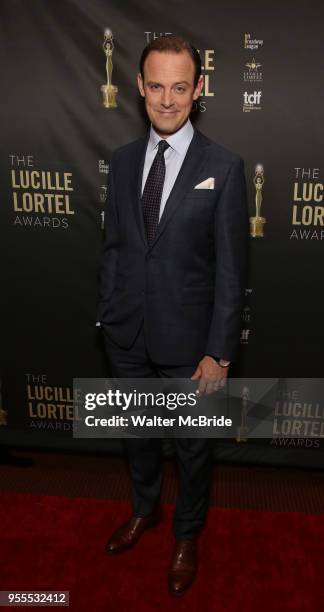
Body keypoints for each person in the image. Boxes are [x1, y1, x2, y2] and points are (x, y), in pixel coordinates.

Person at [97, 34, 249, 596]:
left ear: (198, 89)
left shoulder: (226, 169)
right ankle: (145, 510)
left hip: (192, 347)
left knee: (193, 449)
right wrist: (109, 315)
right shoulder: (120, 162)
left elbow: (233, 271)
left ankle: (186, 533)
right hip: (127, 336)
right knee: (136, 436)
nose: (167, 99)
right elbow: (115, 247)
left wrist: (220, 353)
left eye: (179, 87)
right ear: (138, 87)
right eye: (156, 86)